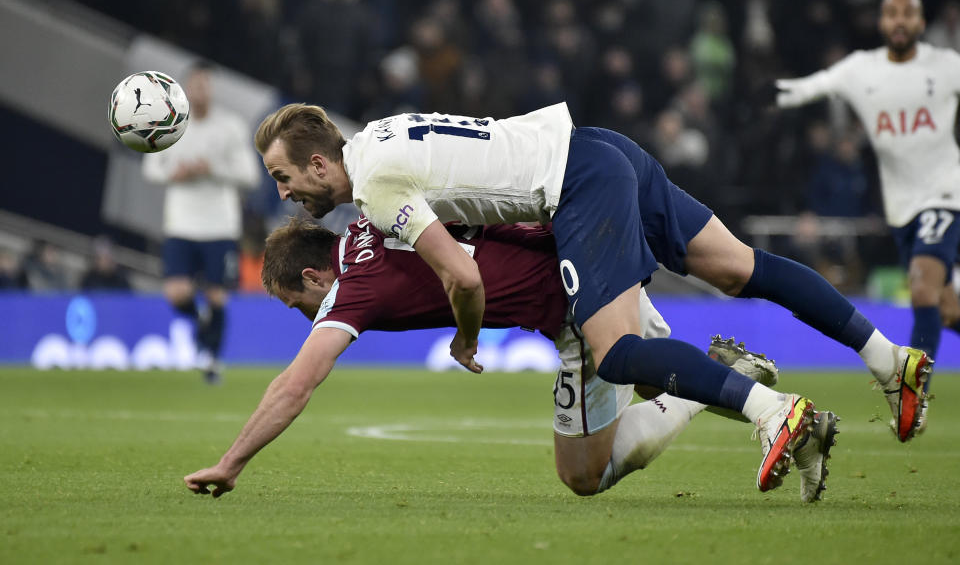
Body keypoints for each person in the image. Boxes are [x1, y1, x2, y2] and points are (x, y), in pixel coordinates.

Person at [252, 96, 924, 485]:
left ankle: (771, 408)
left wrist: (464, 333)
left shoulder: (373, 187)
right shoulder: (380, 137)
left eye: (285, 176)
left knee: (618, 353)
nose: (284, 192)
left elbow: (461, 273)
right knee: (739, 267)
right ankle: (890, 359)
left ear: (319, 161)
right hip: (597, 146)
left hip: (575, 187)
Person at [185, 217, 838, 503]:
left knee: (585, 473)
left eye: (297, 302)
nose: (306, 315)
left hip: (578, 312)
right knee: (643, 371)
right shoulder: (377, 216)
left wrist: (232, 461)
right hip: (592, 258)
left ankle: (712, 387)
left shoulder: (352, 287)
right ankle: (747, 394)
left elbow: (297, 383)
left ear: (310, 272)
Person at [776, 0, 958, 399]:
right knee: (946, 310)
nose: (899, 21)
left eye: (908, 13)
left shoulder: (946, 67)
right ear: (881, 22)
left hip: (945, 194)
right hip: (901, 208)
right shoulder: (861, 69)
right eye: (891, 13)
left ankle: (911, 392)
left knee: (922, 287)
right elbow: (802, 89)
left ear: (921, 23)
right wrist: (760, 91)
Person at [142, 62, 261, 383]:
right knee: (176, 293)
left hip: (220, 226)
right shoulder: (169, 124)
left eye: (205, 84)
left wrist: (212, 169)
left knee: (217, 294)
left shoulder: (230, 127)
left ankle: (210, 357)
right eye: (194, 84)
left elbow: (250, 176)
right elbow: (151, 169)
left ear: (213, 88)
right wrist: (175, 174)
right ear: (185, 89)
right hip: (181, 223)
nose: (200, 90)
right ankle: (202, 320)